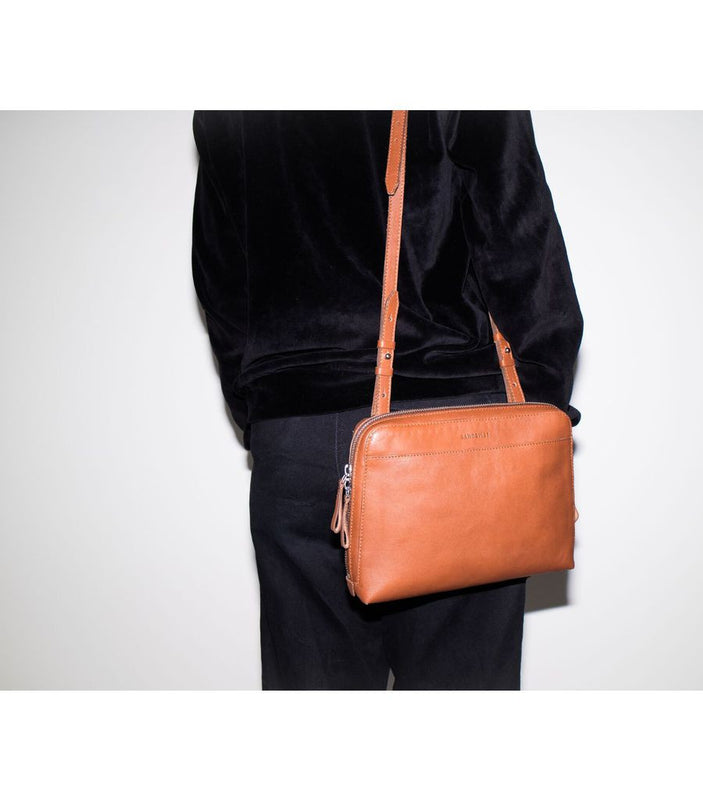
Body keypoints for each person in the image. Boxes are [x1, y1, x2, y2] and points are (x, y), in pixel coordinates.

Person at [191, 110, 583, 690]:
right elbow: (520, 235)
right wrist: (539, 407)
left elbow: (220, 271)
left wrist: (266, 412)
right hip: (447, 435)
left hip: (294, 441)